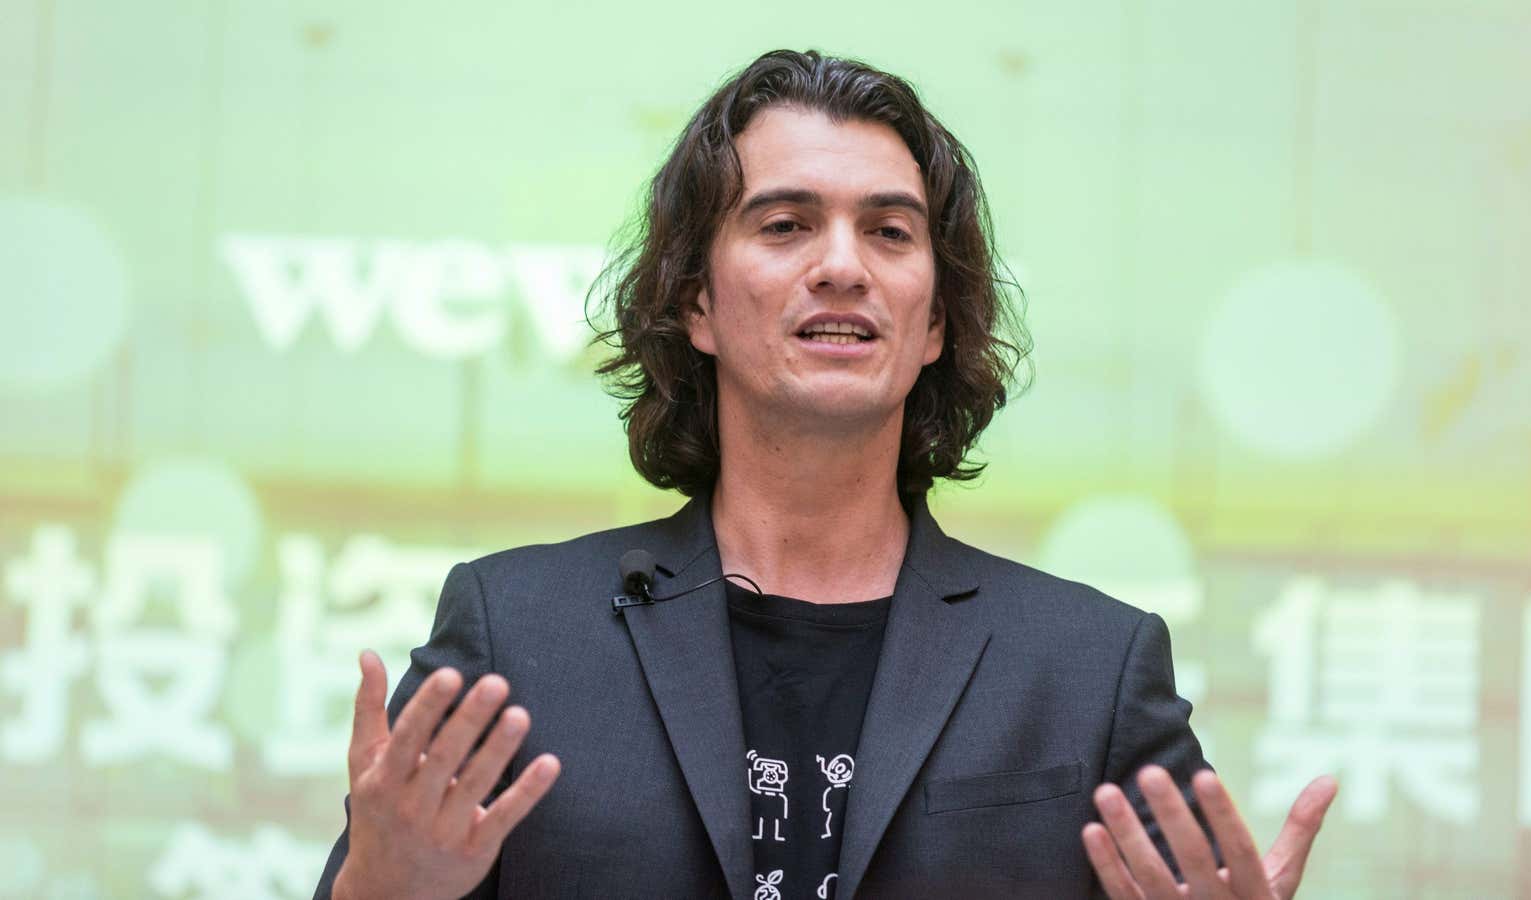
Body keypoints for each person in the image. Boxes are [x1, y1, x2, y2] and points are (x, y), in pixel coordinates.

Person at [314, 49, 1337, 900]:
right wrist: (379, 891)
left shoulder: (1085, 669)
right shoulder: (519, 634)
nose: (842, 265)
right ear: (696, 305)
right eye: (784, 224)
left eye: (888, 232)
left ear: (935, 320)